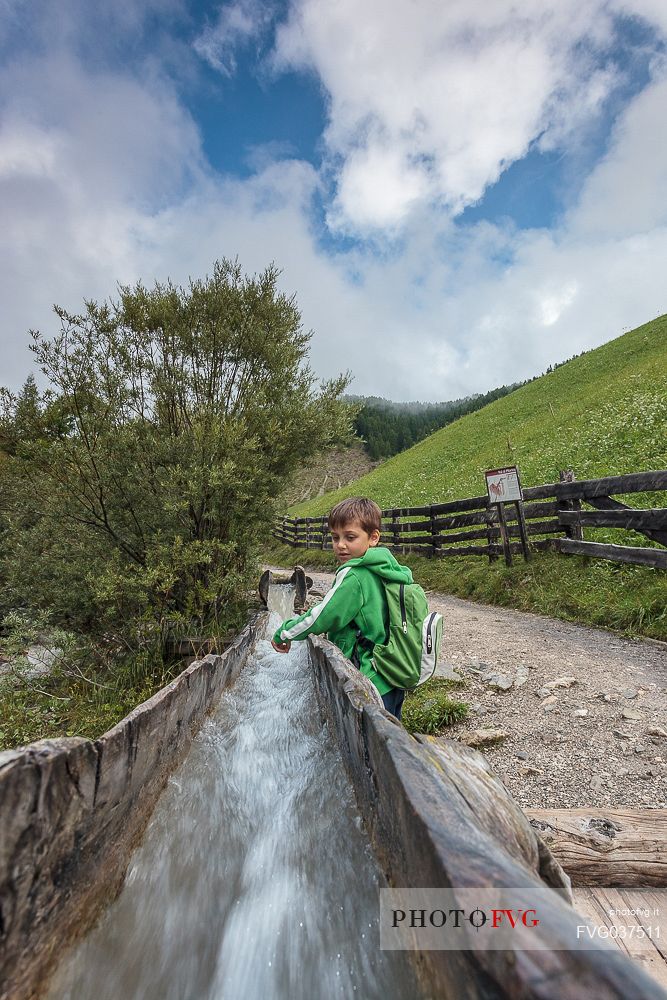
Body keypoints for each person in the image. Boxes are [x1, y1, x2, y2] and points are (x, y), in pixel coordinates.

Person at [270, 496, 413, 720]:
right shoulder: (386, 568)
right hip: (392, 673)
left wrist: (285, 631)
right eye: (335, 538)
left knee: (371, 745)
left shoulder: (354, 575)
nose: (341, 545)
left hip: (368, 677)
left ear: (373, 537)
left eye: (350, 537)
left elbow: (323, 616)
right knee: (392, 739)